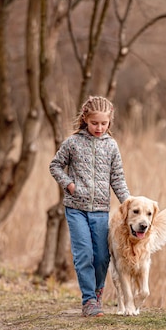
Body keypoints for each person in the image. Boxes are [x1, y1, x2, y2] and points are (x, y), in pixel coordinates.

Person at [49, 96, 130, 317]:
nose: (99, 127)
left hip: (101, 211)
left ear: (109, 122)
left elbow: (118, 179)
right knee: (84, 253)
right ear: (86, 119)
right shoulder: (73, 143)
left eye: (104, 123)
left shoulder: (111, 146)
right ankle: (89, 301)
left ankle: (97, 291)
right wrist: (69, 185)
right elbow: (55, 166)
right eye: (95, 123)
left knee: (103, 256)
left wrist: (130, 203)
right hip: (76, 209)